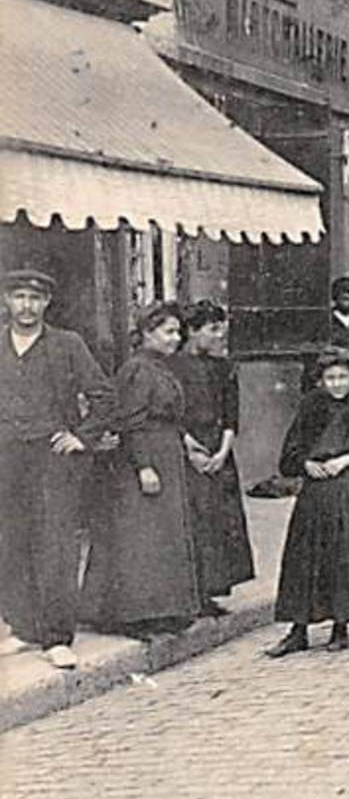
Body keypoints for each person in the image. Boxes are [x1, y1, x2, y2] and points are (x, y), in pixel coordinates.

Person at [0, 269, 113, 669]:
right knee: (10, 542)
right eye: (19, 297)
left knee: (55, 545)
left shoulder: (67, 345)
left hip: (53, 459)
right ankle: (23, 627)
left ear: (47, 303)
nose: (26, 306)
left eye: (35, 298)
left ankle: (56, 637)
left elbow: (104, 396)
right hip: (6, 458)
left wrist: (81, 437)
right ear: (6, 301)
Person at [81, 301, 204, 639]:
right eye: (168, 332)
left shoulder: (159, 367)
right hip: (144, 459)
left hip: (166, 453)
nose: (175, 339)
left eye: (178, 332)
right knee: (139, 538)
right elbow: (130, 423)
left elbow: (167, 416)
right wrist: (144, 467)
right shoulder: (137, 370)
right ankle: (131, 616)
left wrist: (186, 441)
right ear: (148, 333)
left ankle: (161, 610)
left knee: (161, 536)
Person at [266, 347, 349, 656]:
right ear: (321, 381)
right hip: (316, 495)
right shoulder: (310, 410)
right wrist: (306, 464)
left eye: (342, 377)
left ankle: (340, 626)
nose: (336, 384)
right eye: (330, 378)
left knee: (344, 557)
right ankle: (298, 630)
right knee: (305, 560)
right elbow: (290, 454)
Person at [167, 300, 254, 616]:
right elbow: (170, 415)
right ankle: (191, 595)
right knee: (194, 521)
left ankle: (210, 592)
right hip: (185, 453)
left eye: (222, 329)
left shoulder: (225, 367)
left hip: (219, 454)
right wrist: (189, 446)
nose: (220, 336)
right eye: (213, 329)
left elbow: (232, 415)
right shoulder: (172, 367)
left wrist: (222, 452)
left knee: (219, 522)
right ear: (192, 331)